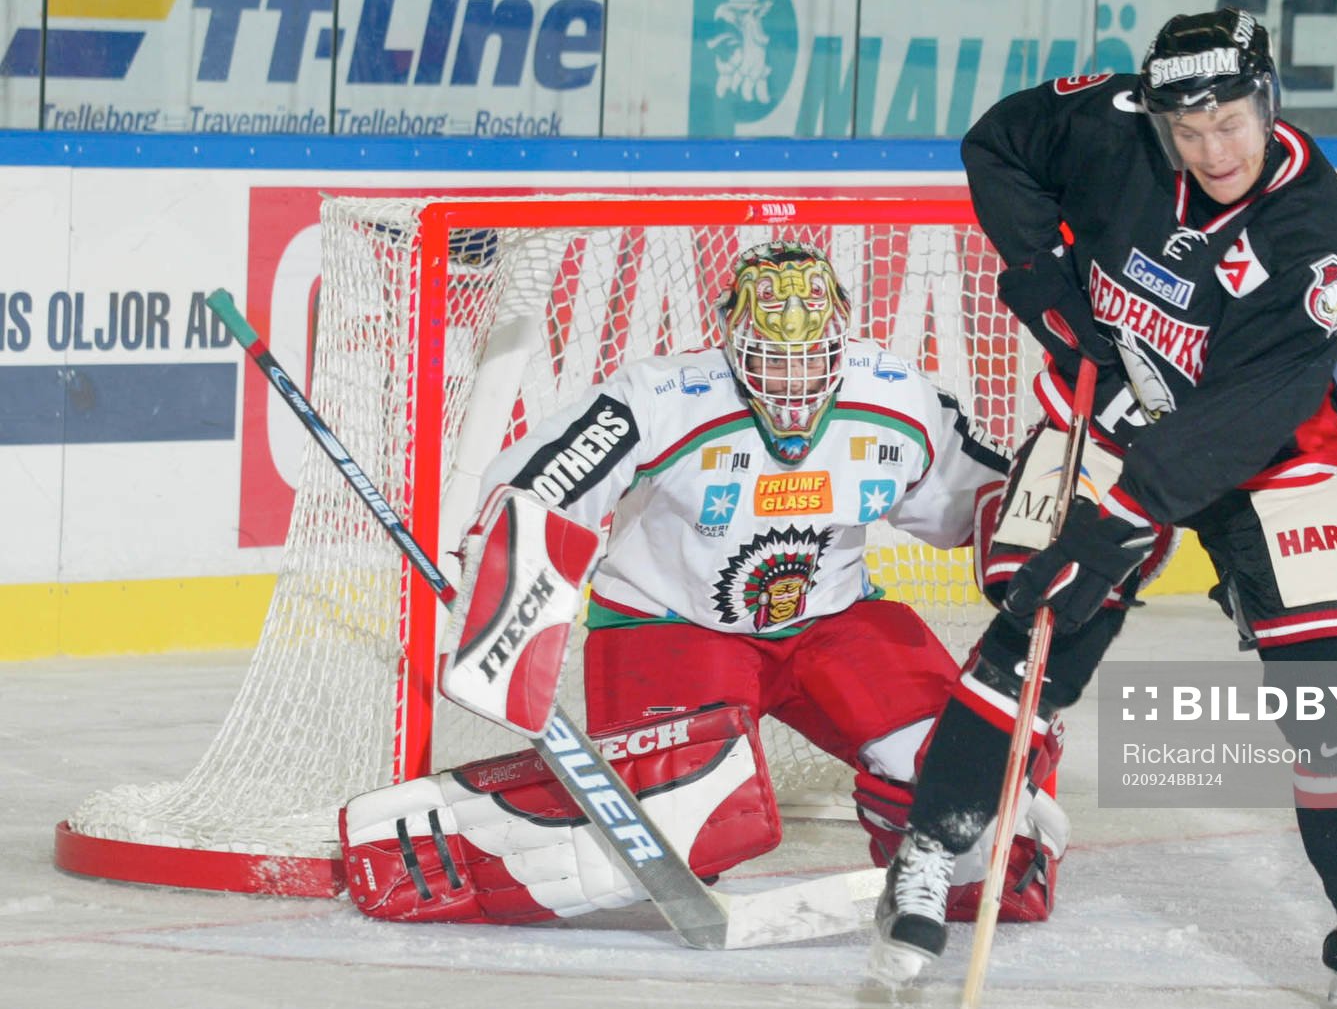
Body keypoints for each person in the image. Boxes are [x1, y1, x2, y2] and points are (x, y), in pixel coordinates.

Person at [869, 8, 1337, 1009]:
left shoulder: (1313, 234)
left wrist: (1116, 526)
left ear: (1267, 100)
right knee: (1038, 631)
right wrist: (1043, 283)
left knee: (1330, 684)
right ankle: (931, 845)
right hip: (1112, 406)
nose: (1212, 149)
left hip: (1262, 449)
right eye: (1189, 130)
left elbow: (1245, 417)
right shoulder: (1113, 123)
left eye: (1231, 121)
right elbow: (996, 146)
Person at [337, 241, 1068, 929]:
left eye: (812, 359)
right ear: (728, 344)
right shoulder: (660, 397)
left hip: (834, 623)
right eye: (768, 360)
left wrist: (1054, 542)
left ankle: (925, 855)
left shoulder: (899, 396)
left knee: (969, 792)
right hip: (668, 625)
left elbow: (983, 505)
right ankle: (464, 839)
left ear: (842, 343)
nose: (793, 381)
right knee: (679, 825)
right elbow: (543, 484)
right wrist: (500, 570)